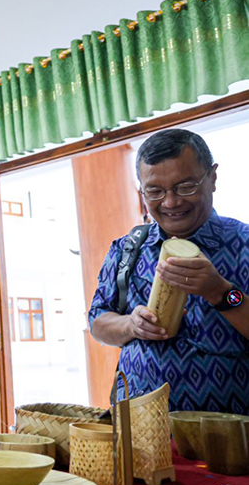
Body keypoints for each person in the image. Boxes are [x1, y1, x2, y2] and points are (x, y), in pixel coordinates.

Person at [89, 129, 248, 414]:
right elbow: (98, 322)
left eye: (185, 186)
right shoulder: (127, 248)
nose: (171, 202)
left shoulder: (243, 243)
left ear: (212, 178)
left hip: (234, 439)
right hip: (141, 432)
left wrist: (222, 293)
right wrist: (130, 325)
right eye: (155, 191)